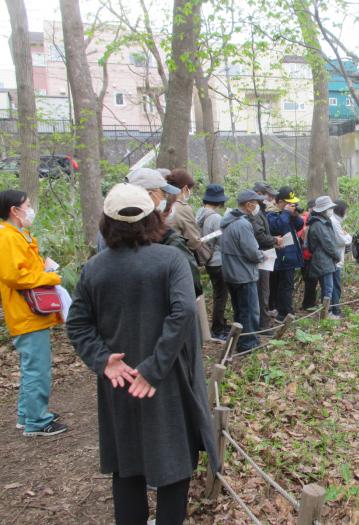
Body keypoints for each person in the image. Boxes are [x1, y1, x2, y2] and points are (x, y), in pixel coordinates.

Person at [66, 183, 217, 525]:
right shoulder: (171, 260)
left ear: (108, 223)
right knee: (174, 462)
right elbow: (183, 314)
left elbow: (77, 325)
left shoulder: (94, 268)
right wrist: (153, 368)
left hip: (121, 382)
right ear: (153, 220)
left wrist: (104, 360)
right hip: (167, 380)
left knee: (127, 464)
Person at [0, 190, 67, 437]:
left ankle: (26, 415)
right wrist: (50, 276)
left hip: (30, 311)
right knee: (37, 368)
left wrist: (43, 268)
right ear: (14, 210)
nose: (31, 209)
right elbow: (14, 275)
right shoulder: (7, 237)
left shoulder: (18, 235)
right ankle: (37, 421)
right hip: (25, 312)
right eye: (27, 205)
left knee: (33, 365)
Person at [123, 168, 203, 297]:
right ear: (149, 195)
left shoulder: (110, 234)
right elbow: (192, 285)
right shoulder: (167, 239)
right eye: (163, 193)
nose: (166, 198)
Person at [220, 190, 266, 352]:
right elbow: (252, 251)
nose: (258, 206)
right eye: (256, 203)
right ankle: (249, 343)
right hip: (244, 274)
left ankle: (240, 340)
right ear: (249, 205)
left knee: (240, 310)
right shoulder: (242, 224)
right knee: (250, 311)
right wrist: (262, 256)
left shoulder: (228, 222)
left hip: (231, 273)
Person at [196, 184, 231, 340]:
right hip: (218, 260)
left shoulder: (200, 214)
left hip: (209, 260)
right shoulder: (216, 218)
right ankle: (217, 328)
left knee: (219, 294)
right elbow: (223, 240)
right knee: (221, 295)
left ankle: (220, 323)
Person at [267, 186, 305, 320]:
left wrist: (294, 215)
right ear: (280, 202)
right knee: (282, 286)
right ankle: (285, 313)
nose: (291, 205)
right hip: (280, 257)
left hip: (290, 257)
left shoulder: (287, 215)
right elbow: (277, 227)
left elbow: (300, 225)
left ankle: (284, 311)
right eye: (288, 203)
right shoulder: (271, 213)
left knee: (286, 285)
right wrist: (286, 213)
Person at [251, 182, 282, 329]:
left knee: (264, 290)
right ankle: (262, 324)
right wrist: (274, 240)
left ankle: (263, 319)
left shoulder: (261, 211)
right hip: (261, 255)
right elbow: (259, 236)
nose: (270, 198)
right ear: (258, 193)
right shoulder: (255, 212)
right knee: (262, 290)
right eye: (268, 195)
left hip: (265, 253)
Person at [166, 168, 212, 266]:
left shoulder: (162, 203)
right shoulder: (182, 208)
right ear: (185, 188)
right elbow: (193, 241)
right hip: (178, 257)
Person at [306, 196, 341, 314]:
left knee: (327, 288)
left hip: (325, 259)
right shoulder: (318, 224)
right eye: (329, 208)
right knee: (328, 288)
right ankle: (327, 313)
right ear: (323, 210)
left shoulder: (322, 222)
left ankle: (326, 312)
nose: (331, 210)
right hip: (323, 260)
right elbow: (328, 243)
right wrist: (337, 255)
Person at [329, 200, 352, 318]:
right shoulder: (334, 221)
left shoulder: (336, 221)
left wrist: (345, 236)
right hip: (335, 260)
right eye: (345, 211)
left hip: (337, 259)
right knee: (334, 286)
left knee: (334, 286)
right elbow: (341, 240)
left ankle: (334, 310)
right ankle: (334, 311)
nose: (346, 213)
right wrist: (348, 237)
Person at [300, 199, 318, 310]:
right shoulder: (303, 219)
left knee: (312, 281)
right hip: (306, 256)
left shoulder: (312, 220)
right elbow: (300, 234)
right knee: (310, 280)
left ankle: (310, 303)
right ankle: (308, 304)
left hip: (310, 255)